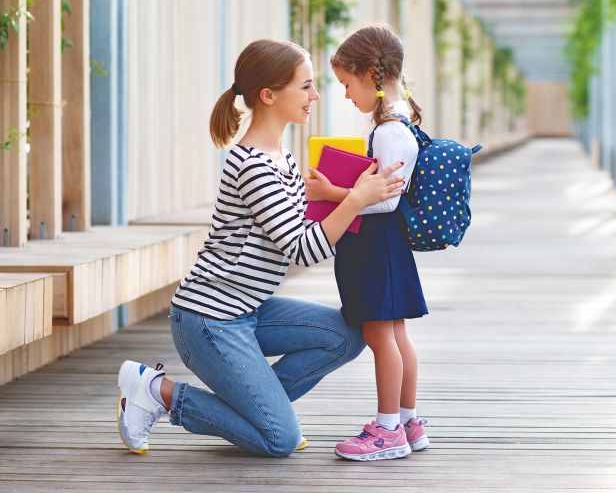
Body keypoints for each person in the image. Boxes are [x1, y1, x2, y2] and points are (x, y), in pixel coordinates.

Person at [116, 38, 405, 457]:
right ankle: (159, 392)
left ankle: (257, 412)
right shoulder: (253, 165)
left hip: (248, 309)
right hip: (208, 320)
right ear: (269, 95)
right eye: (305, 86)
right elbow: (302, 249)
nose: (316, 95)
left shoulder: (281, 157)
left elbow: (303, 227)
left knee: (347, 335)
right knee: (278, 440)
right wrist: (357, 198)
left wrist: (343, 193)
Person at [305, 24, 429, 461]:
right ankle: (407, 421)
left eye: (346, 83)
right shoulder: (398, 123)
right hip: (385, 249)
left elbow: (383, 203)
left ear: (371, 74)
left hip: (375, 247)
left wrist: (330, 194)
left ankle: (388, 429)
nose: (344, 94)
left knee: (381, 337)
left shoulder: (388, 130)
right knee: (395, 335)